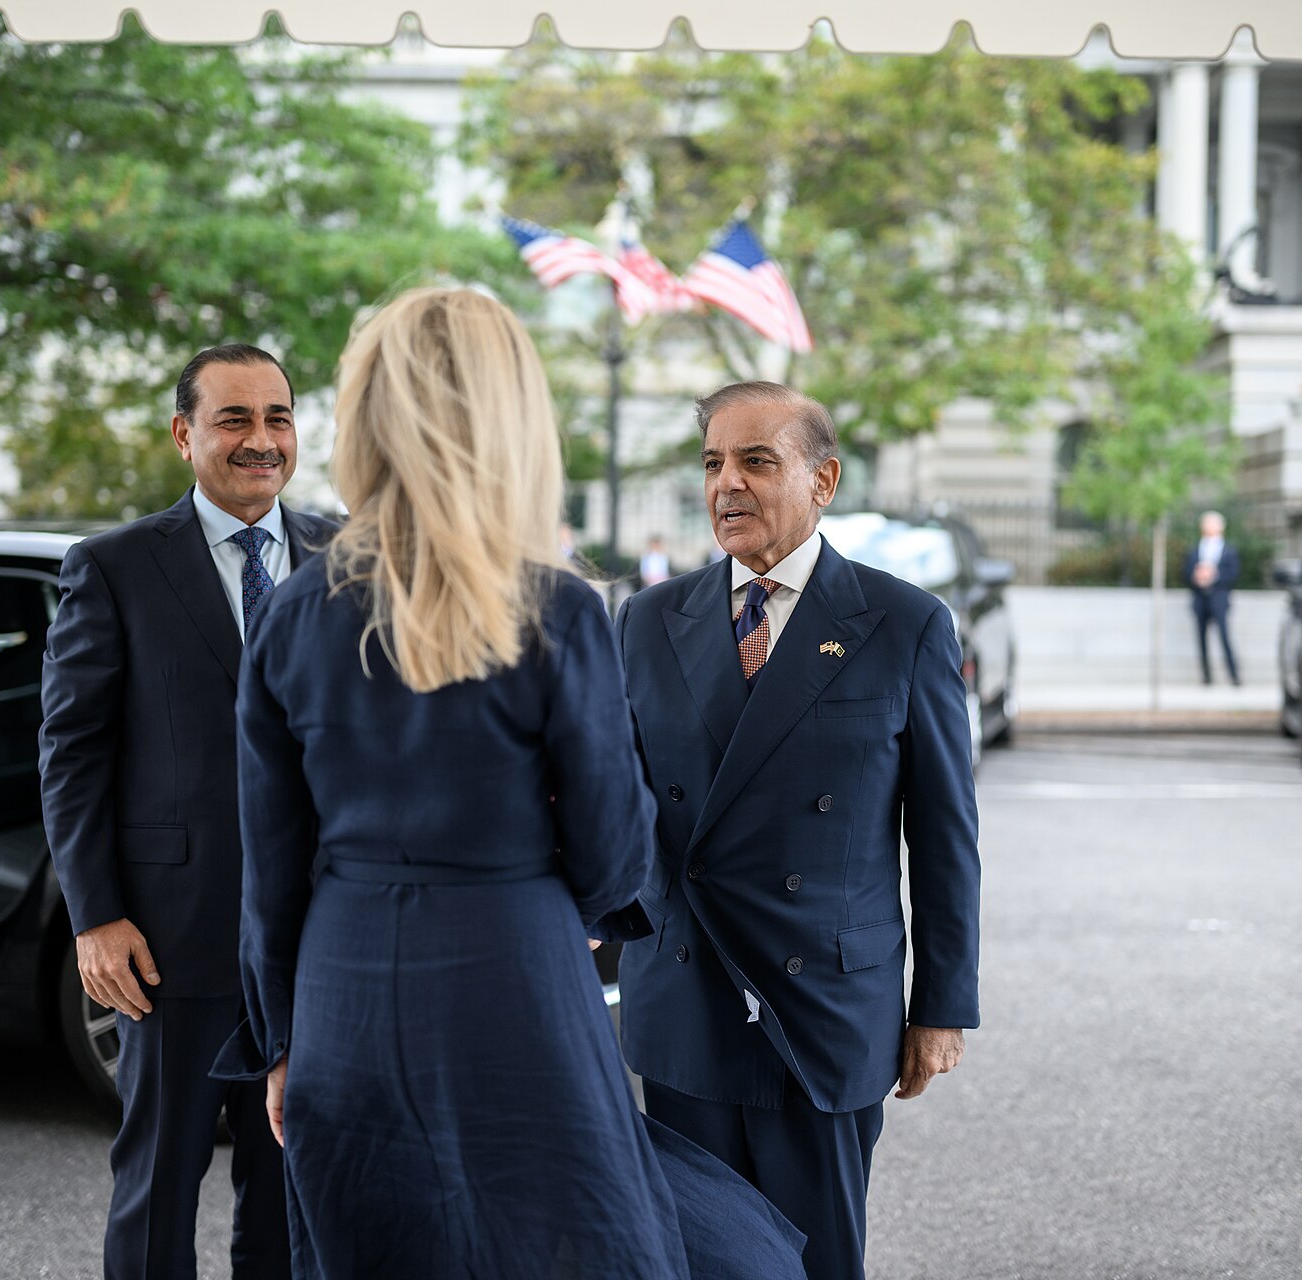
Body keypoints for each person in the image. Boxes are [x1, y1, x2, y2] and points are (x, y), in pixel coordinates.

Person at [214, 288, 804, 1280]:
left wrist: (280, 1040)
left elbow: (268, 867)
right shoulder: (558, 608)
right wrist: (540, 896)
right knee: (560, 1240)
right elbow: (617, 844)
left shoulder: (290, 613)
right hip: (516, 969)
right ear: (510, 419)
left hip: (343, 985)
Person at [613, 381, 981, 1280]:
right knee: (691, 1258)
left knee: (814, 1261)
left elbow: (944, 836)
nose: (726, 485)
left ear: (824, 480)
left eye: (755, 460)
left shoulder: (904, 623)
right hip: (685, 1003)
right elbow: (611, 813)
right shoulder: (649, 619)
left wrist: (940, 1003)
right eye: (712, 463)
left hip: (821, 1011)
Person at [39, 343, 334, 1280]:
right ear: (184, 433)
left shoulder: (351, 556)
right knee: (159, 1182)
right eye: (234, 419)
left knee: (293, 1193)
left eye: (277, 418)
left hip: (323, 937)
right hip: (170, 936)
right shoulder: (114, 567)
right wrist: (93, 915)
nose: (261, 441)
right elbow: (72, 753)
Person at [1182, 510, 1241, 686]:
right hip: (1200, 599)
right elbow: (1185, 572)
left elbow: (1234, 574)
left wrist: (1214, 575)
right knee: (1201, 639)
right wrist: (1197, 576)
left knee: (1224, 637)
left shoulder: (1229, 550)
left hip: (1219, 599)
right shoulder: (1194, 549)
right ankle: (1206, 676)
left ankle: (1233, 675)